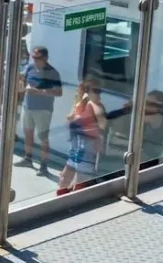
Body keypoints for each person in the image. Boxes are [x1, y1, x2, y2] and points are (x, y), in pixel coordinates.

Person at [16, 46, 63, 176]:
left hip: (43, 110)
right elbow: (23, 82)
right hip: (28, 106)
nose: (35, 60)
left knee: (43, 138)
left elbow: (59, 92)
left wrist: (37, 92)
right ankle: (28, 158)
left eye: (38, 58)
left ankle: (43, 165)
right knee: (28, 134)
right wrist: (22, 87)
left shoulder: (53, 73)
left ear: (46, 58)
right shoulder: (30, 68)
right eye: (33, 57)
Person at [57, 76, 108, 194]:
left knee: (79, 187)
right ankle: (59, 201)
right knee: (64, 179)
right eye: (96, 91)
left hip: (88, 153)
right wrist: (78, 107)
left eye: (99, 91)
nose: (99, 95)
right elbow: (69, 120)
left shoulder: (97, 106)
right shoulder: (80, 105)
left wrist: (91, 102)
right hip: (75, 150)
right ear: (86, 91)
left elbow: (103, 123)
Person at [142, 90, 163, 165]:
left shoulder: (156, 117)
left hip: (152, 158)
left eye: (149, 104)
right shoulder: (149, 115)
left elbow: (137, 119)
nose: (145, 106)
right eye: (145, 103)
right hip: (146, 154)